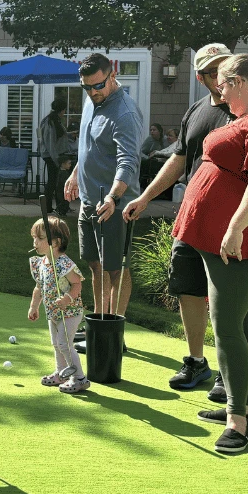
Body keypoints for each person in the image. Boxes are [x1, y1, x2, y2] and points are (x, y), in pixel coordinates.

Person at [171, 54, 248, 454]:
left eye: (223, 84)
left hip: (239, 237)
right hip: (215, 233)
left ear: (240, 81)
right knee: (240, 323)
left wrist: (235, 227)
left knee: (226, 327)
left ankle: (237, 423)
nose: (219, 92)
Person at [125, 43, 234, 396]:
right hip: (192, 213)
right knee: (188, 287)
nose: (221, 75)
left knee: (226, 296)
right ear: (201, 77)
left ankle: (228, 370)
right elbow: (178, 160)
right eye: (213, 70)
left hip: (230, 218)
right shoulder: (197, 111)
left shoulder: (247, 111)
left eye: (225, 66)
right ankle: (196, 361)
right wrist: (145, 196)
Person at [64, 53, 143, 316]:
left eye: (98, 85)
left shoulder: (125, 113)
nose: (92, 92)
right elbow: (91, 146)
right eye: (86, 87)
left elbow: (128, 162)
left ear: (113, 76)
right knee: (95, 265)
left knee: (115, 269)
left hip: (114, 205)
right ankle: (99, 323)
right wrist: (76, 173)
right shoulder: (92, 101)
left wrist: (113, 197)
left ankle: (114, 330)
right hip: (89, 200)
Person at [27, 215, 89, 393]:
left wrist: (66, 299)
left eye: (39, 238)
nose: (35, 242)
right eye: (34, 238)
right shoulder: (42, 263)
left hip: (70, 312)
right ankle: (61, 373)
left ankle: (79, 378)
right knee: (56, 344)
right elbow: (39, 287)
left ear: (55, 242)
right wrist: (34, 306)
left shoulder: (64, 264)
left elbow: (77, 283)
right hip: (53, 312)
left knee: (64, 344)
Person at [38, 97, 77, 216]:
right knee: (53, 182)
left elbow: (60, 137)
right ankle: (47, 207)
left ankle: (59, 206)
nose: (64, 113)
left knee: (58, 182)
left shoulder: (55, 120)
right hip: (52, 156)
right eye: (64, 110)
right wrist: (57, 161)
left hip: (57, 155)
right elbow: (50, 143)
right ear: (61, 110)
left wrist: (70, 135)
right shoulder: (50, 122)